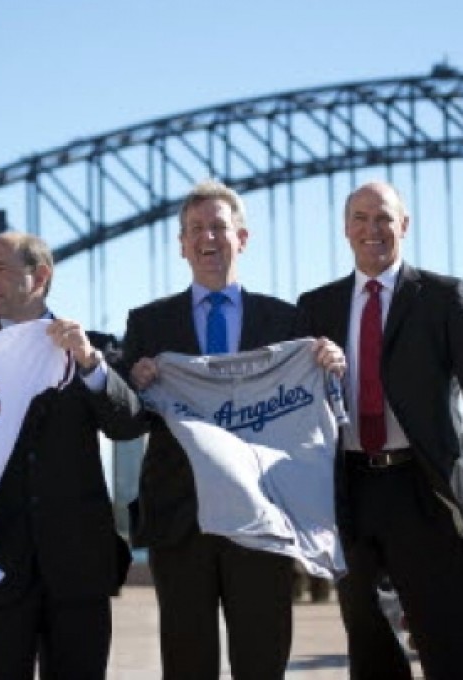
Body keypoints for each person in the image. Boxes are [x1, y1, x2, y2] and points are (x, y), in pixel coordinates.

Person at [121, 178, 343, 678]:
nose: (208, 238)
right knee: (186, 660)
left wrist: (331, 368)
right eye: (196, 229)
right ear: (182, 245)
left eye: (219, 227)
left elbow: (315, 415)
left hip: (263, 515)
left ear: (241, 238)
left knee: (262, 656)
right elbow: (129, 420)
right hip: (181, 518)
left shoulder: (288, 321)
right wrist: (134, 383)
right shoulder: (148, 324)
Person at [295, 180, 463, 679]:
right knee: (366, 636)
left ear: (404, 226)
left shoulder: (442, 297)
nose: (371, 230)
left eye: (383, 219)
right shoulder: (315, 307)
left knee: (452, 640)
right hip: (349, 489)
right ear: (345, 228)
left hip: (426, 487)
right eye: (360, 218)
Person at [0, 231, 143, 680]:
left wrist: (91, 365)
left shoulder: (92, 347)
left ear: (40, 276)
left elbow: (128, 423)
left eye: (0, 268)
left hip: (77, 570)